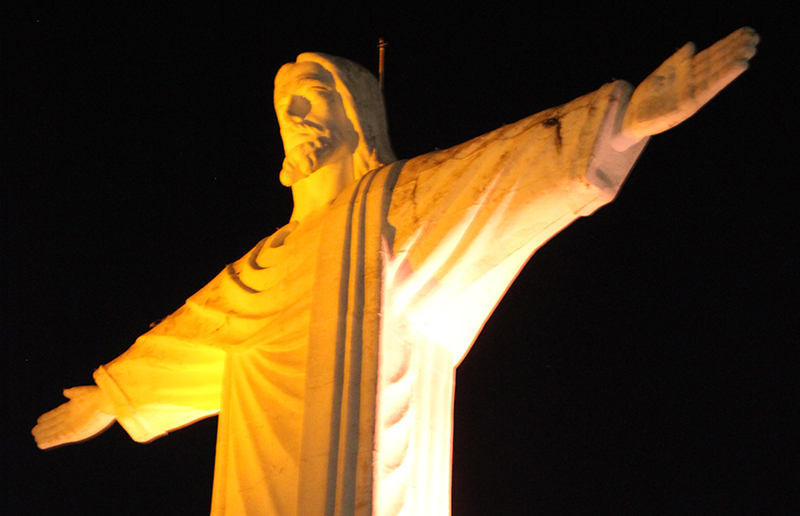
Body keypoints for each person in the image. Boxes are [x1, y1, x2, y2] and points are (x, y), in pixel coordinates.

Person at [33, 29, 758, 516]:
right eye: (287, 111)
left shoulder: (400, 207)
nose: (296, 118)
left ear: (353, 113)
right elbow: (195, 332)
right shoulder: (266, 262)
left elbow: (503, 172)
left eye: (311, 101)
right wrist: (111, 396)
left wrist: (625, 121)